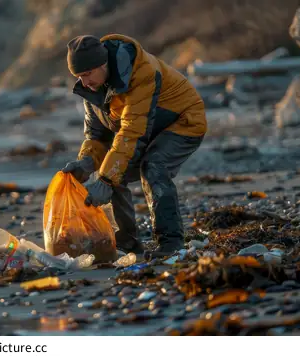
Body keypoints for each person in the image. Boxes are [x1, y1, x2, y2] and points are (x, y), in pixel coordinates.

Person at [61, 34, 207, 257]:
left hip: (184, 121)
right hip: (147, 128)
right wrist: (87, 163)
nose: (84, 82)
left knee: (153, 166)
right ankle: (127, 243)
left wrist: (106, 179)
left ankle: (171, 244)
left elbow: (131, 131)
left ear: (102, 64)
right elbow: (97, 136)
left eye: (87, 74)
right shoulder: (92, 88)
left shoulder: (142, 72)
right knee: (110, 171)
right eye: (79, 76)